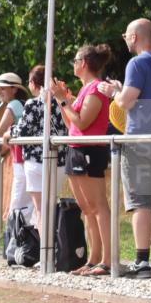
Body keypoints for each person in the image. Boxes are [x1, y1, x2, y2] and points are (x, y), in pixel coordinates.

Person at [98, 18, 151, 278]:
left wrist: (113, 93)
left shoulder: (136, 63)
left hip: (138, 139)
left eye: (125, 35)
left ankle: (141, 261)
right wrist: (122, 92)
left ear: (134, 37)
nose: (125, 39)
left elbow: (128, 101)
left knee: (139, 202)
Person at [51, 45, 113, 276]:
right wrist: (62, 99)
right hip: (75, 149)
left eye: (75, 60)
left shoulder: (95, 89)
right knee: (86, 209)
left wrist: (64, 100)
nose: (73, 64)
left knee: (98, 206)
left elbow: (84, 122)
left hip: (90, 151)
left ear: (84, 63)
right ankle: (92, 258)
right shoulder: (86, 89)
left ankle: (106, 261)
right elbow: (72, 125)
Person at [6, 66, 68, 224]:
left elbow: (23, 130)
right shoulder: (63, 103)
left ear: (33, 83)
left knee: (40, 210)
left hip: (35, 162)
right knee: (52, 208)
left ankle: (43, 247)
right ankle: (53, 245)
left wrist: (9, 131)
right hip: (59, 161)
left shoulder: (32, 104)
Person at [0, 72, 30, 223]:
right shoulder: (25, 104)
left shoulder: (13, 104)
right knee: (29, 207)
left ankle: (15, 242)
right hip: (29, 159)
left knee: (16, 205)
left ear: (14, 89)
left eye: (2, 88)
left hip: (22, 160)